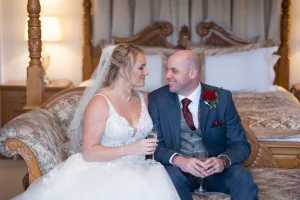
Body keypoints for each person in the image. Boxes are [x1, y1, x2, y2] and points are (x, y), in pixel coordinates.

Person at [13, 44, 180, 200]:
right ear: (123, 70)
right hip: (104, 169)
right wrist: (131, 149)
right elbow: (89, 152)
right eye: (141, 67)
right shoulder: (100, 103)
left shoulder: (144, 98)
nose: (147, 72)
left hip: (142, 168)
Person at [148, 50, 259, 200]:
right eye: (167, 70)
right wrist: (179, 160)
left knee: (242, 176)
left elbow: (241, 145)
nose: (168, 75)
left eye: (174, 71)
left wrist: (223, 161)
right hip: (179, 172)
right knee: (170, 178)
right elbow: (153, 146)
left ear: (192, 73)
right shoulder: (156, 99)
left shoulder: (222, 98)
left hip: (215, 173)